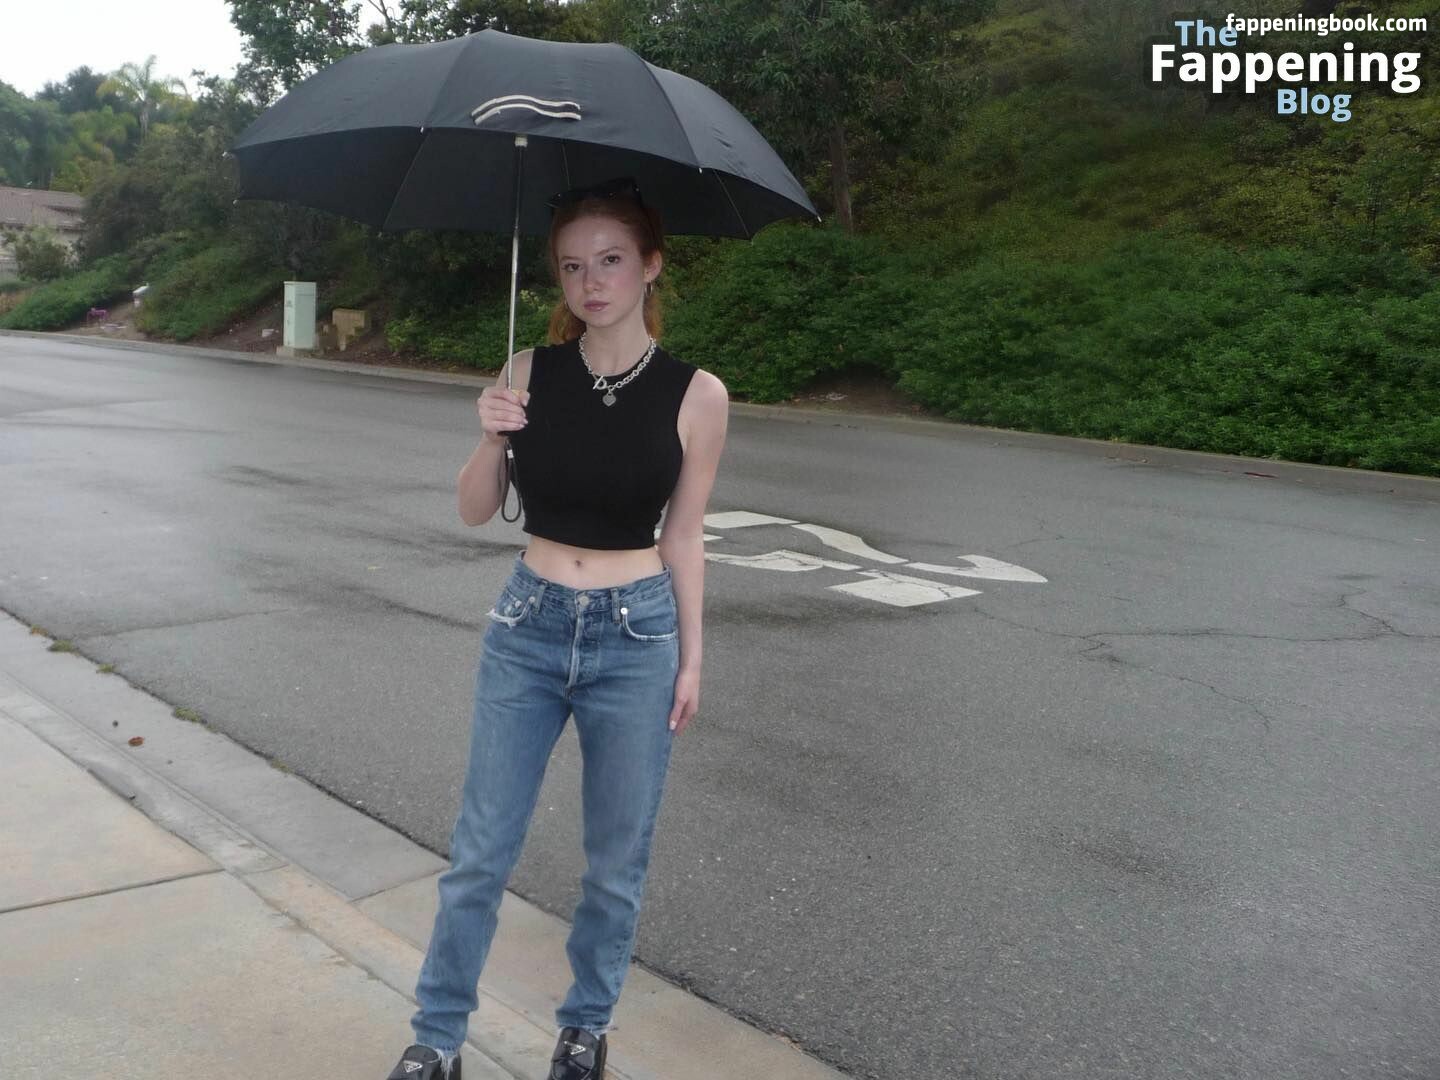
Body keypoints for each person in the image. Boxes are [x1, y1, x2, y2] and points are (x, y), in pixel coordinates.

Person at [386, 176, 730, 1080]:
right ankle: (437, 1038)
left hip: (637, 634)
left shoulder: (699, 395)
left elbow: (684, 535)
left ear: (651, 266)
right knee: (480, 851)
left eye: (611, 260)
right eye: (573, 266)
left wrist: (693, 658)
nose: (591, 281)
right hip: (528, 623)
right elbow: (473, 510)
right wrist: (490, 433)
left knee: (615, 859)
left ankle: (585, 1029)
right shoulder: (527, 371)